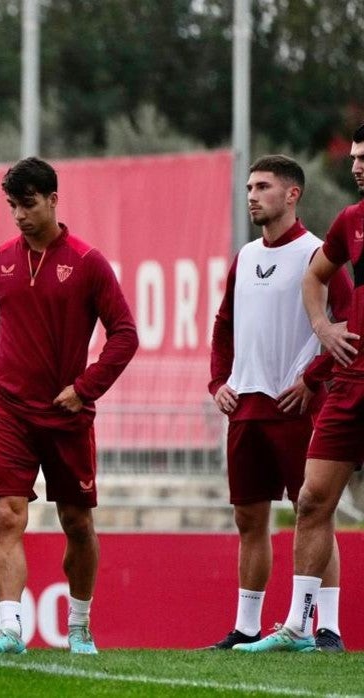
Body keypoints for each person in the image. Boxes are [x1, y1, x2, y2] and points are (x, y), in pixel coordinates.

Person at [0, 157, 138, 657]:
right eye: (12, 206)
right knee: (6, 515)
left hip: (67, 416)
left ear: (52, 199)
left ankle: (81, 625)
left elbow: (125, 336)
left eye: (27, 204)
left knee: (77, 522)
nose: (20, 216)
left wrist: (85, 389)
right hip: (9, 412)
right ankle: (9, 628)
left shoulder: (88, 262)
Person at [206, 156, 350, 651]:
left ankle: (325, 627)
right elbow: (223, 325)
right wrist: (217, 382)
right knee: (249, 520)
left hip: (296, 407)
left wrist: (314, 378)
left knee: (315, 512)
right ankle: (246, 626)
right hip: (244, 407)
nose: (251, 195)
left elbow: (348, 324)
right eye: (249, 186)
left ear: (292, 195)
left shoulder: (317, 253)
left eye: (263, 186)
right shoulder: (245, 256)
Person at [237, 126, 364, 654]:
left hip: (321, 389)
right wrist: (323, 331)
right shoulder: (351, 222)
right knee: (312, 501)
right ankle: (297, 626)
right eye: (355, 157)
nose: (357, 166)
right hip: (352, 381)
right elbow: (316, 280)